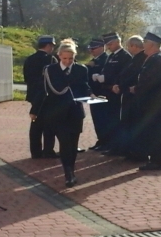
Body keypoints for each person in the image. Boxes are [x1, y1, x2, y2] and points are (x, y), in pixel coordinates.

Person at [34, 39, 91, 187]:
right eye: (65, 58)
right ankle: (68, 174)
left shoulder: (81, 69)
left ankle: (71, 170)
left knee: (73, 145)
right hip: (57, 113)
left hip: (75, 112)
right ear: (59, 56)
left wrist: (91, 94)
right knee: (65, 143)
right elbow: (42, 90)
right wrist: (35, 110)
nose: (67, 61)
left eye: (71, 58)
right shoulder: (50, 70)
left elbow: (84, 86)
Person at [131, 32, 161, 171]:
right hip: (155, 101)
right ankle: (160, 159)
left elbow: (150, 81)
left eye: (145, 42)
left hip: (156, 101)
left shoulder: (157, 59)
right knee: (156, 130)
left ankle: (158, 160)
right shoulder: (155, 58)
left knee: (155, 131)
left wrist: (136, 88)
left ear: (152, 44)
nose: (143, 45)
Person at [96, 33, 131, 155]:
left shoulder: (125, 56)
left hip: (117, 93)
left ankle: (117, 147)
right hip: (108, 91)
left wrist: (107, 79)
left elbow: (123, 74)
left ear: (117, 42)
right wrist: (101, 76)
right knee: (109, 120)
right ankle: (110, 145)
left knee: (116, 120)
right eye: (107, 45)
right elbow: (107, 70)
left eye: (110, 44)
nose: (108, 47)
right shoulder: (111, 56)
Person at [113, 35, 148, 161]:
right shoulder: (136, 58)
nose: (128, 49)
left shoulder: (142, 58)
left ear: (134, 46)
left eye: (129, 46)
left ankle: (136, 153)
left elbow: (133, 76)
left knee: (133, 124)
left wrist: (121, 86)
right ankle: (129, 150)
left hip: (134, 96)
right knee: (127, 123)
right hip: (128, 94)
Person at [24, 35, 58, 158]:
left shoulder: (29, 59)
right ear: (48, 45)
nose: (53, 48)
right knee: (49, 125)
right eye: (52, 46)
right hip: (47, 96)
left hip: (34, 95)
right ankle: (48, 150)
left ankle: (35, 151)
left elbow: (26, 78)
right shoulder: (51, 59)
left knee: (35, 124)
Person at [85, 38, 109, 150]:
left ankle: (105, 141)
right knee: (96, 118)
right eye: (90, 49)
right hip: (93, 93)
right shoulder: (94, 60)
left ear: (101, 47)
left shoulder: (106, 59)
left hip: (101, 93)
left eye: (93, 48)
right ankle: (100, 140)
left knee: (102, 119)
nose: (91, 51)